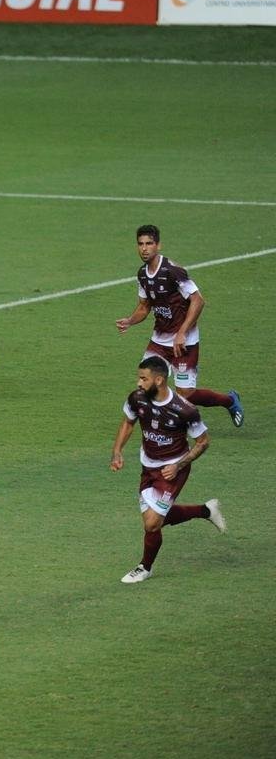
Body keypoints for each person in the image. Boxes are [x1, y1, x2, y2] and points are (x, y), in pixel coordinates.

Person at [110, 356, 226, 583]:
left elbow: (203, 441)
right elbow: (128, 422)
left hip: (172, 470)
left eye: (144, 379)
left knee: (152, 523)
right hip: (148, 466)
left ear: (160, 380)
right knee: (155, 519)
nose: (139, 383)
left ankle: (145, 567)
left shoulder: (184, 410)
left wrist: (178, 465)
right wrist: (117, 451)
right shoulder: (138, 399)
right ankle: (206, 511)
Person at [114, 224, 243, 427]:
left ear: (158, 245)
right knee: (146, 382)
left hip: (184, 341)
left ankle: (229, 401)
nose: (144, 248)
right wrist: (130, 321)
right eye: (140, 244)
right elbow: (144, 306)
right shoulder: (142, 274)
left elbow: (198, 300)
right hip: (159, 340)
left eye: (149, 243)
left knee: (187, 394)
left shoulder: (173, 271)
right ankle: (157, 425)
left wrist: (182, 332)